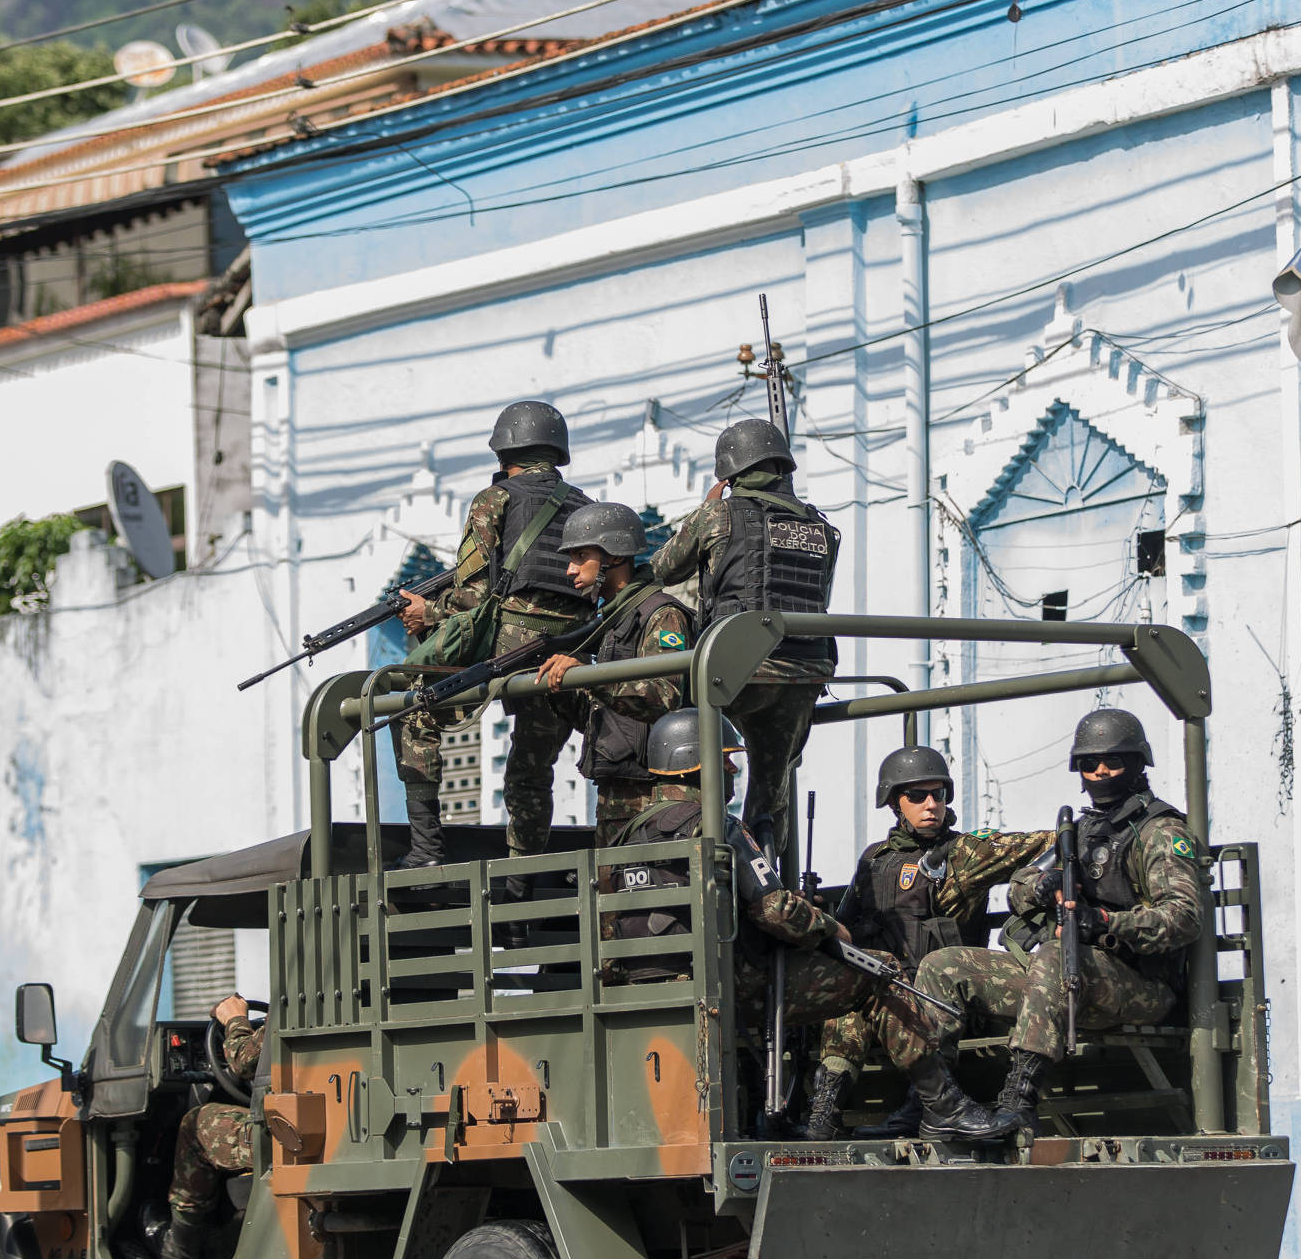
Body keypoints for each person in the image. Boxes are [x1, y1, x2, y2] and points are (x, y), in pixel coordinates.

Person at [615, 711, 995, 1139]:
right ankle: (942, 1106)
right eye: (724, 761)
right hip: (727, 983)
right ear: (693, 762)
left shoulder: (629, 834)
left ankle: (821, 1117)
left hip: (649, 986)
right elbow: (774, 909)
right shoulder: (716, 825)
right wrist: (831, 930)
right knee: (877, 971)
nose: (733, 770)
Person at [915, 707, 1209, 1142]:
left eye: (1114, 762)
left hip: (1139, 984)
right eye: (1090, 764)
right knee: (943, 966)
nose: (1102, 771)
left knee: (1054, 954)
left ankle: (1018, 1102)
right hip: (1063, 978)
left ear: (1138, 764)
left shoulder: (1160, 832)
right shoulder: (1081, 831)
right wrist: (1040, 886)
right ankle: (938, 1104)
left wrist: (1105, 921)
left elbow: (1183, 917)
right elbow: (1018, 886)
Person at [808, 745, 1053, 1141]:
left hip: (938, 997)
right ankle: (825, 1109)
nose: (930, 805)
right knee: (851, 992)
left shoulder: (964, 853)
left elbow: (1049, 843)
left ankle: (924, 1106)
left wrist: (1044, 885)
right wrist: (817, 914)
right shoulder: (875, 859)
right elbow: (847, 925)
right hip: (887, 989)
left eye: (937, 795)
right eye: (916, 796)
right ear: (894, 802)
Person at [393, 400, 593, 866]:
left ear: (504, 453)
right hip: (569, 651)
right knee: (530, 771)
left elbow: (472, 596)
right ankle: (522, 891)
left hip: (510, 645)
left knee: (410, 707)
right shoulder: (587, 506)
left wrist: (427, 611)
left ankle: (426, 850)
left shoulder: (494, 499)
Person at [649, 418, 840, 847]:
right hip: (805, 669)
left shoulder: (719, 514)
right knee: (773, 785)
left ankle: (705, 847)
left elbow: (664, 567)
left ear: (730, 473)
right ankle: (767, 866)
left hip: (736, 666)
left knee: (683, 747)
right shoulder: (821, 527)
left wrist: (706, 508)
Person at [534, 500, 694, 848]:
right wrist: (562, 689)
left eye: (580, 557)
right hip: (619, 793)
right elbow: (611, 719)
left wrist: (589, 676)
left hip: (660, 795)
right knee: (613, 898)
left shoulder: (661, 614)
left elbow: (662, 698)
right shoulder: (614, 621)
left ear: (615, 556)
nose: (570, 570)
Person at [162, 993, 264, 1259]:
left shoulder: (306, 1006)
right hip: (331, 1123)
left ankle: (180, 1250)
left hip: (293, 1133)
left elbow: (244, 1059)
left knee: (196, 1124)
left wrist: (234, 1019)